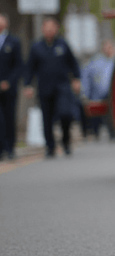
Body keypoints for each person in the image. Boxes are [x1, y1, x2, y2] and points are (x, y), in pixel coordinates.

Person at [23, 17, 81, 158]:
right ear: (43, 29)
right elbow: (30, 68)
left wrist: (76, 79)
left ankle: (66, 141)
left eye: (52, 28)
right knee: (47, 119)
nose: (49, 31)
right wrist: (28, 85)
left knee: (65, 113)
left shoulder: (63, 44)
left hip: (62, 86)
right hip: (44, 87)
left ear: (56, 29)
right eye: (46, 28)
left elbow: (73, 63)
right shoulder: (36, 47)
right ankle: (50, 147)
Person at [80, 39, 115, 140]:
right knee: (100, 114)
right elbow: (87, 78)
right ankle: (96, 131)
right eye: (106, 47)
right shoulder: (95, 62)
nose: (108, 50)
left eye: (110, 47)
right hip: (100, 93)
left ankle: (113, 132)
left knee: (111, 112)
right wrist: (85, 94)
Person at [0, 13, 23, 161]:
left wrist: (9, 81)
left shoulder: (14, 41)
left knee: (9, 118)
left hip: (9, 87)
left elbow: (19, 65)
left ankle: (10, 148)